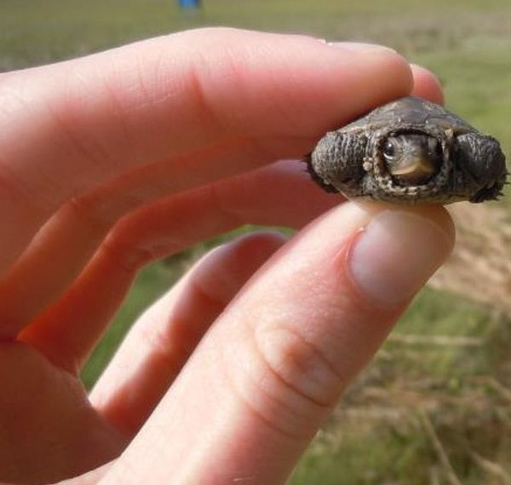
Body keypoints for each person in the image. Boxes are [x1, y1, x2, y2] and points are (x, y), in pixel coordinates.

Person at [0, 28, 454, 484]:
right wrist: (333, 168)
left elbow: (481, 151)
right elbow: (330, 152)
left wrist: (474, 170)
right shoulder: (357, 149)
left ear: (440, 152)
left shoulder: (452, 152)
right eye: (396, 151)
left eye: (426, 152)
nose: (411, 158)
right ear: (380, 152)